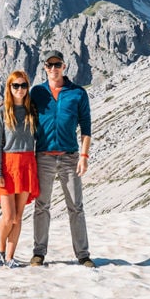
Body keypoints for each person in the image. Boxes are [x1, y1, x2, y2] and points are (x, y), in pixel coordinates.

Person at [29, 49, 94, 268]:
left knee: (76, 206)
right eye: (49, 65)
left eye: (57, 65)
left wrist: (83, 156)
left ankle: (83, 255)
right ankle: (39, 253)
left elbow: (86, 127)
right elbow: (24, 120)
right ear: (44, 68)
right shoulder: (37, 92)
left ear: (64, 66)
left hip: (70, 157)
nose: (54, 69)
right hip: (43, 157)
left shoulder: (77, 93)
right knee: (41, 206)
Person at [0, 70, 40, 268]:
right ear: (9, 88)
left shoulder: (32, 110)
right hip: (8, 166)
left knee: (18, 217)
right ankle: (0, 251)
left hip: (27, 165)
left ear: (28, 87)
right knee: (8, 216)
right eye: (15, 85)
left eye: (23, 85)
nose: (20, 89)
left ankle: (10, 257)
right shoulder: (2, 111)